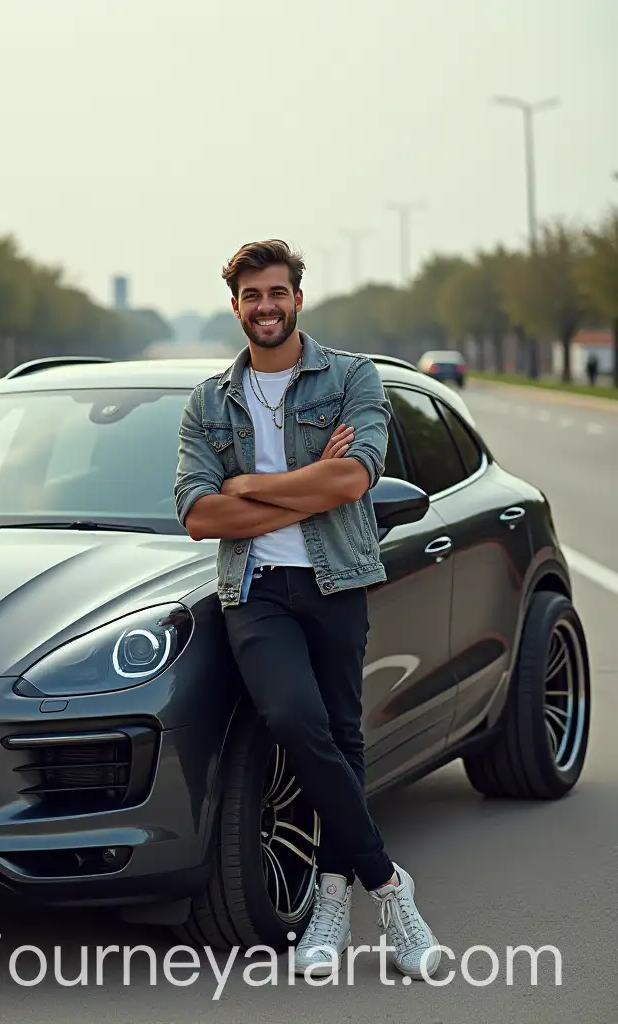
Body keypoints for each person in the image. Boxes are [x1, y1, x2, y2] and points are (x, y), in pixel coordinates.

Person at [174, 239, 441, 980]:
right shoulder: (209, 401)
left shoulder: (352, 377)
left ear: (298, 298)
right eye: (251, 296)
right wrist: (305, 477)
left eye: (277, 293)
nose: (265, 307)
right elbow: (197, 515)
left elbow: (354, 481)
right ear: (235, 306)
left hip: (336, 580)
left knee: (341, 734)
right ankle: (390, 888)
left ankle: (330, 899)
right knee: (294, 719)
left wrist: (250, 488)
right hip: (256, 589)